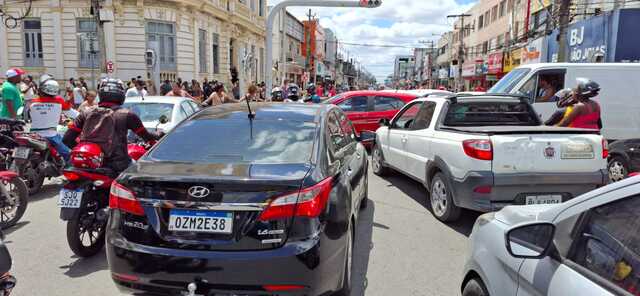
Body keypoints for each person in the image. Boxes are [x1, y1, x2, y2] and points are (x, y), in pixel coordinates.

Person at [63, 79, 163, 173]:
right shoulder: (127, 115)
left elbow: (67, 139)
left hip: (88, 164)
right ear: (121, 96)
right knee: (138, 177)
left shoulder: (85, 113)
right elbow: (146, 136)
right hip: (117, 164)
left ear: (101, 94)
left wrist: (86, 153)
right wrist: (159, 134)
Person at [29, 75, 75, 161]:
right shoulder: (59, 101)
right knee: (69, 155)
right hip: (51, 135)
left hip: (33, 134)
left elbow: (29, 114)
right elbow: (72, 113)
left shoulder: (33, 102)